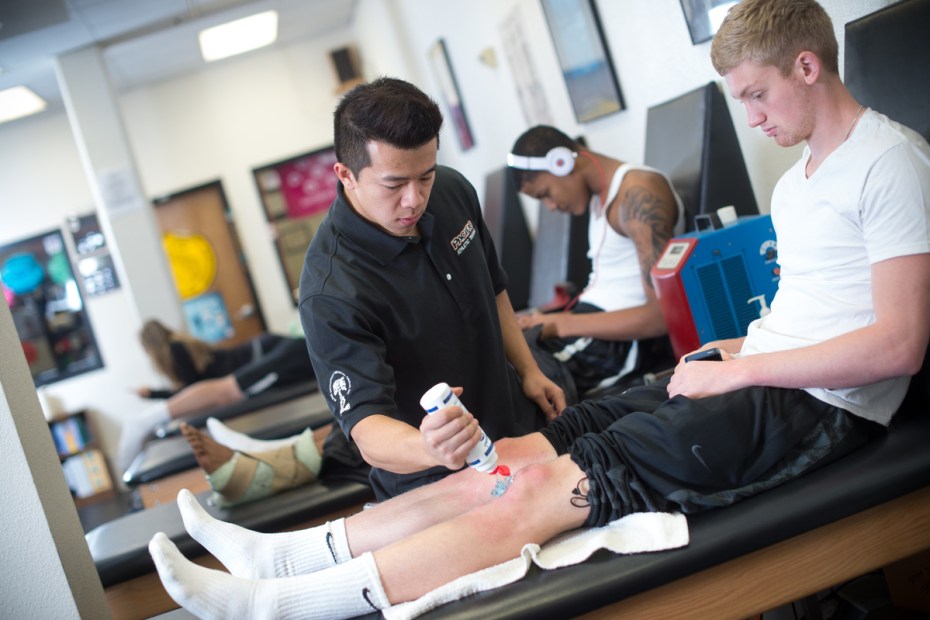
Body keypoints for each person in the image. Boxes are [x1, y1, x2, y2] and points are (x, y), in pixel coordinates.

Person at [147, 1, 930, 616]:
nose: (752, 116)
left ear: (808, 64)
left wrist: (740, 366)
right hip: (759, 376)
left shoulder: (888, 161)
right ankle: (281, 555)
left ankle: (278, 604)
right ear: (348, 179)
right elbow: (815, 310)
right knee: (522, 451)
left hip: (823, 406)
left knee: (538, 486)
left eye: (758, 95)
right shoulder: (798, 181)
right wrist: (734, 353)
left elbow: (897, 345)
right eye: (742, 99)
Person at [296, 77, 567, 500]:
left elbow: (493, 290)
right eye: (394, 184)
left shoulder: (452, 191)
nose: (414, 199)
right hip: (434, 479)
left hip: (517, 429)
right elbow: (368, 430)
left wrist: (529, 370)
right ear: (346, 175)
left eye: (426, 175)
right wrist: (431, 447)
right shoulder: (331, 291)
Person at [508, 125, 684, 400]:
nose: (551, 207)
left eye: (544, 195)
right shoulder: (598, 198)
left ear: (561, 162)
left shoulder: (637, 193)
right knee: (506, 354)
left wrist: (559, 324)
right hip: (589, 328)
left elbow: (661, 317)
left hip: (617, 346)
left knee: (516, 383)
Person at [116, 319, 318, 471]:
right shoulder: (176, 345)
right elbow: (193, 387)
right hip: (277, 354)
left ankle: (145, 419)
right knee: (227, 391)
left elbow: (190, 386)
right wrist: (153, 394)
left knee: (227, 392)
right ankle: (145, 420)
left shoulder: (175, 348)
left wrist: (152, 393)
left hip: (272, 353)